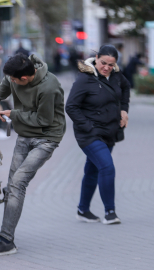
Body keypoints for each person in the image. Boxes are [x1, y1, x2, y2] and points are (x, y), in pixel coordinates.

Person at [0, 53, 66, 257]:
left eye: (16, 80)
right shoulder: (17, 74)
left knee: (17, 184)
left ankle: (5, 240)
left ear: (25, 79)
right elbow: (6, 82)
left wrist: (14, 114)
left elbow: (44, 119)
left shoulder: (49, 87)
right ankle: (7, 237)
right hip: (24, 135)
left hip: (46, 138)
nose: (12, 82)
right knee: (11, 189)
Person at [66, 44, 130, 225]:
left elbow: (125, 89)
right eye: (103, 63)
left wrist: (124, 110)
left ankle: (82, 210)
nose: (107, 68)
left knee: (93, 169)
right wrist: (88, 126)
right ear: (96, 58)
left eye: (111, 64)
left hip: (110, 131)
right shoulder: (84, 79)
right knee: (107, 167)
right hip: (90, 134)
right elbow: (71, 106)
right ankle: (110, 212)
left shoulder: (117, 77)